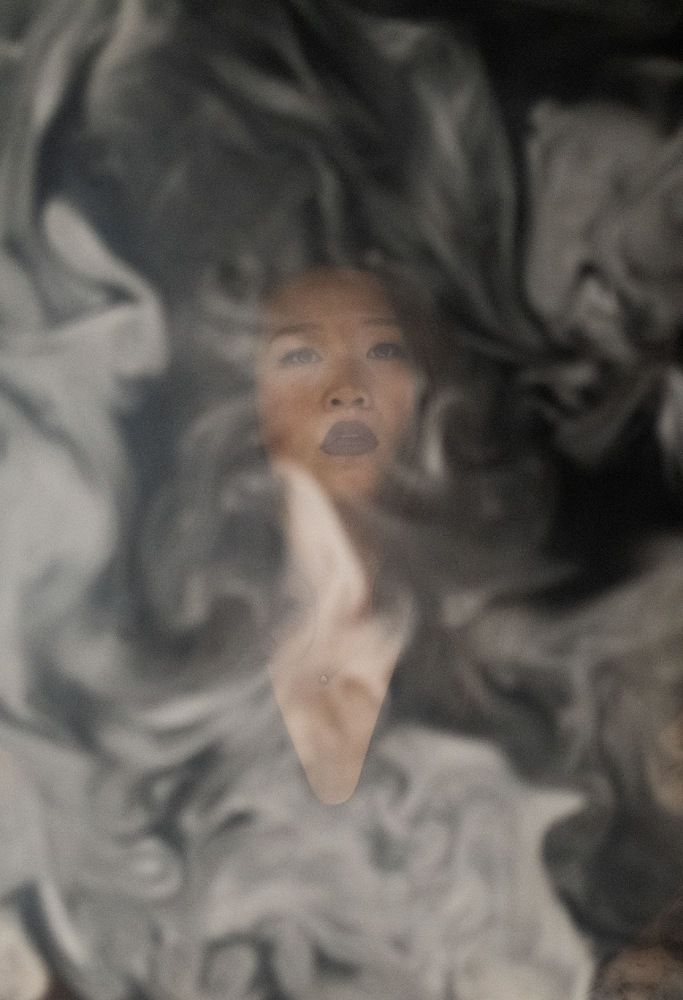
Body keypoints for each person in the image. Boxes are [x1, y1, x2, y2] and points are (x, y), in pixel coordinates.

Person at [255, 264, 424, 803]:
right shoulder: (198, 617)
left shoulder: (469, 619)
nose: (348, 390)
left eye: (382, 351)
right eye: (300, 357)